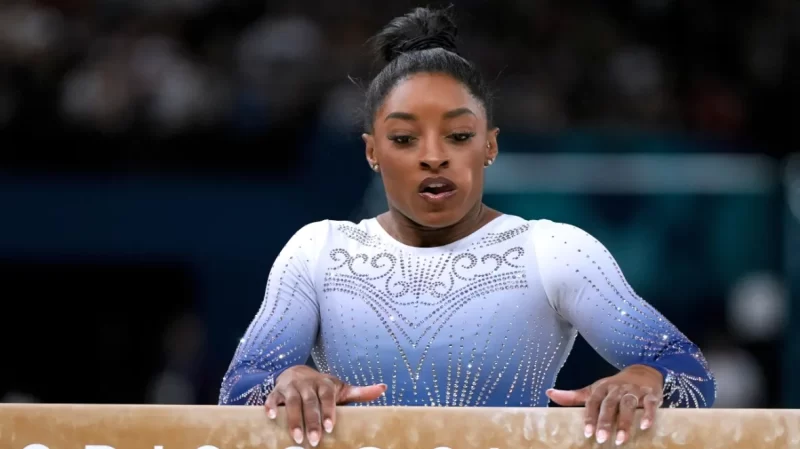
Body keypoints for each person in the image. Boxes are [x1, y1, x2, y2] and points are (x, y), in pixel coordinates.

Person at [218, 6, 716, 448]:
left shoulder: (552, 250)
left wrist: (645, 377)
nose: (434, 157)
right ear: (372, 151)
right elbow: (238, 388)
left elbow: (689, 373)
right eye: (404, 138)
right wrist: (289, 379)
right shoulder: (319, 251)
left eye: (458, 135)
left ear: (490, 146)